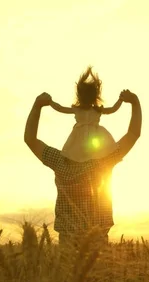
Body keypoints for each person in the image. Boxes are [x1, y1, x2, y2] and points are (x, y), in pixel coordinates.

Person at [24, 87, 142, 246]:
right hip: (98, 247)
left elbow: (30, 139)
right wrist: (135, 102)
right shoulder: (105, 161)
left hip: (68, 248)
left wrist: (37, 105)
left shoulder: (59, 162)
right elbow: (133, 134)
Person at [49, 66, 123, 163]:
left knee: (98, 155)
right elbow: (61, 108)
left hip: (96, 138)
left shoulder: (96, 110)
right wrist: (50, 102)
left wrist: (120, 100)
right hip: (78, 139)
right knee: (76, 156)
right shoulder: (77, 110)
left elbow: (112, 109)